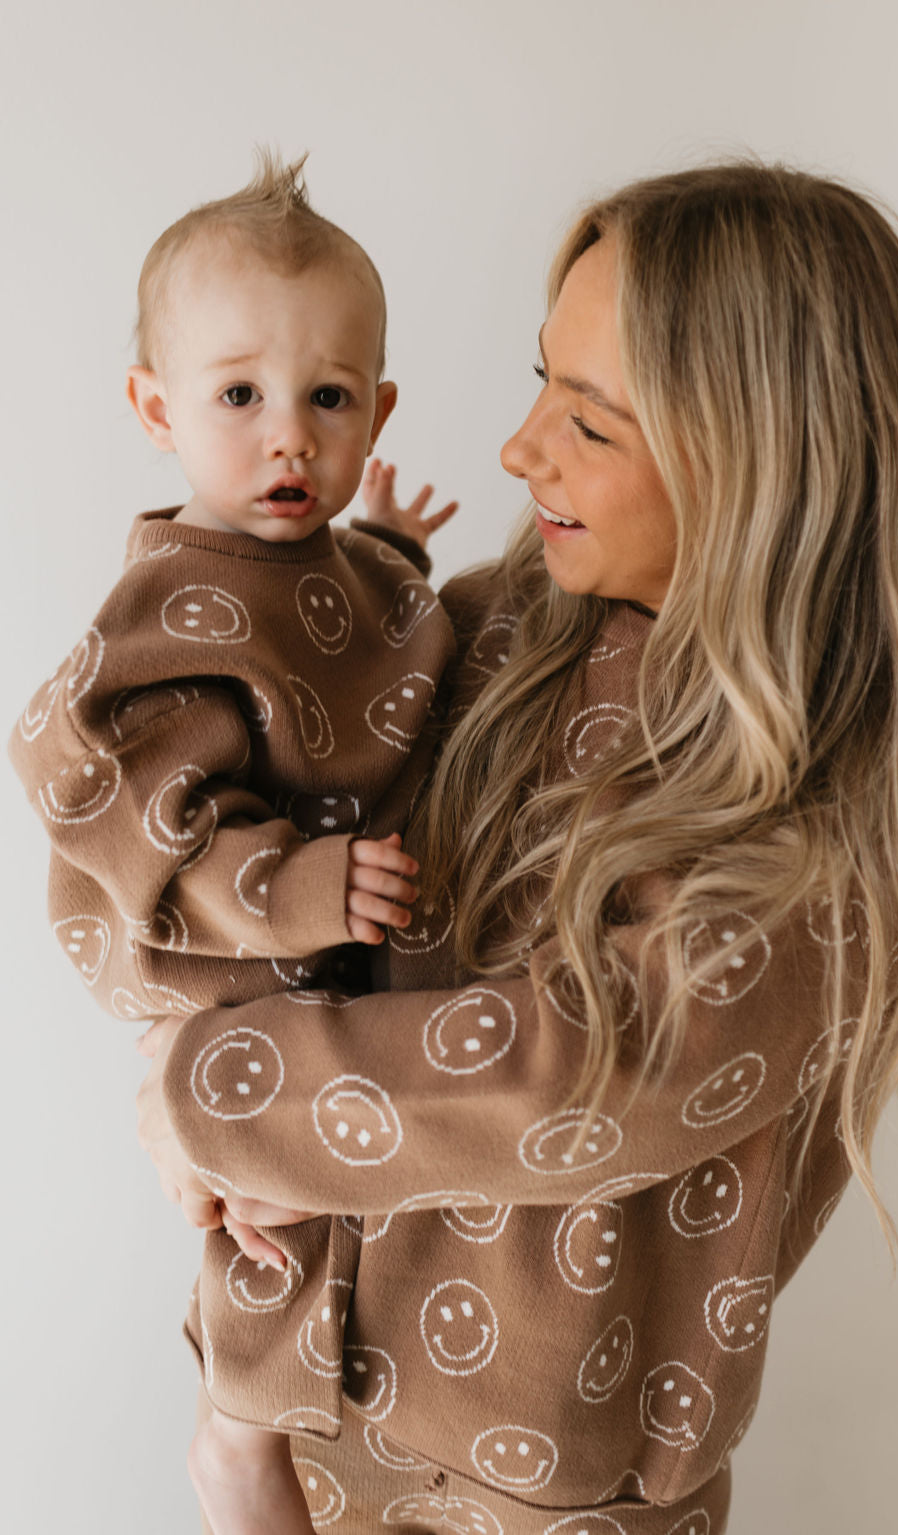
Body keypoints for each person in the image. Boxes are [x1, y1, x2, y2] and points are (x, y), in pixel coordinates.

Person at [138, 162, 898, 1532]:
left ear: (760, 456)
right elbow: (216, 806)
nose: (518, 448)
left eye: (592, 424)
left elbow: (610, 1069)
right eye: (543, 380)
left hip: (561, 1483)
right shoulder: (500, 621)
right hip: (308, 1399)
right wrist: (175, 1029)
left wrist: (214, 1098)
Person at [9, 153, 458, 1535]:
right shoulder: (169, 606)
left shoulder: (313, 553)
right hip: (218, 955)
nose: (288, 440)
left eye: (329, 400)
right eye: (239, 397)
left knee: (323, 1193)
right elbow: (154, 813)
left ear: (377, 407)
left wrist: (388, 545)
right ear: (157, 408)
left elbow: (351, 636)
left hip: (314, 969)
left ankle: (288, 1424)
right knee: (270, 1214)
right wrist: (294, 890)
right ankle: (240, 1449)